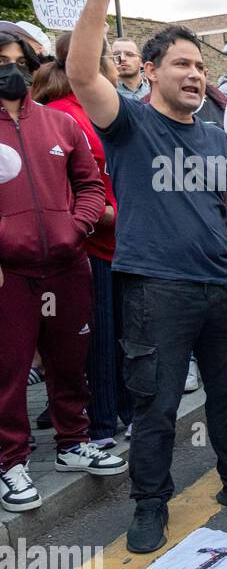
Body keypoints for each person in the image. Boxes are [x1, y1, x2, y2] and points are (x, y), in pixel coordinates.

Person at [67, 0, 227, 552]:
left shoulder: (219, 139)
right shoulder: (130, 123)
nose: (195, 75)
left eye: (200, 66)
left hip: (222, 287)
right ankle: (149, 505)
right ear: (151, 71)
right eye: (181, 65)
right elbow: (84, 74)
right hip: (156, 288)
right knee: (157, 405)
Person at [0, 31, 126, 514]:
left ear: (35, 68)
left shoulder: (60, 125)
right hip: (10, 274)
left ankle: (73, 444)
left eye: (20, 61)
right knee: (9, 369)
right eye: (1, 60)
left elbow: (90, 184)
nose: (11, 69)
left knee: (71, 359)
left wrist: (77, 226)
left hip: (69, 265)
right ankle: (12, 462)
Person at [30, 34, 134, 451]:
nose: (114, 61)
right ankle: (100, 427)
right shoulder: (58, 114)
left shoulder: (105, 109)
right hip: (90, 246)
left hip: (123, 243)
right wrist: (108, 216)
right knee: (99, 341)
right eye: (109, 53)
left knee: (123, 337)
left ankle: (127, 416)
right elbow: (67, 190)